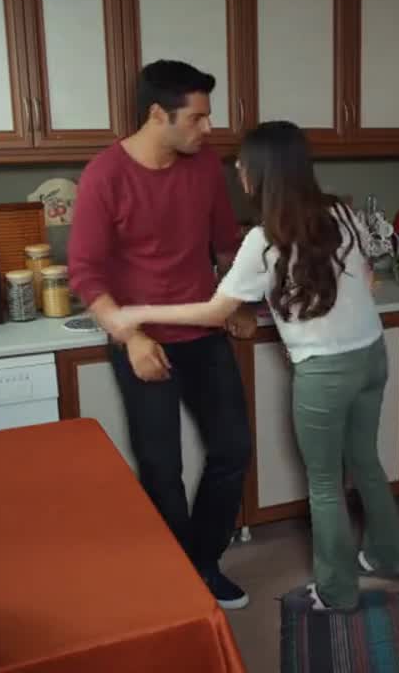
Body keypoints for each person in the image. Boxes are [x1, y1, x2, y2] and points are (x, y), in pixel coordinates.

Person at [111, 121, 399, 612]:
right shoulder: (342, 212)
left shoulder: (265, 239)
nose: (238, 171)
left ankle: (336, 593)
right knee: (365, 461)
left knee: (325, 485)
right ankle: (388, 556)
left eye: (243, 165)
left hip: (324, 373)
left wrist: (140, 312)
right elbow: (365, 278)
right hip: (372, 355)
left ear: (261, 173)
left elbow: (214, 312)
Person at [68, 60, 256, 610]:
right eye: (197, 118)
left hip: (203, 333)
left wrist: (239, 302)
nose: (208, 128)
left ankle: (203, 563)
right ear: (158, 114)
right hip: (143, 342)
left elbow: (226, 243)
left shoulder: (204, 166)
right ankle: (180, 576)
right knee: (161, 467)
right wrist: (130, 336)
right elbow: (85, 273)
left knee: (232, 450)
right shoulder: (105, 175)